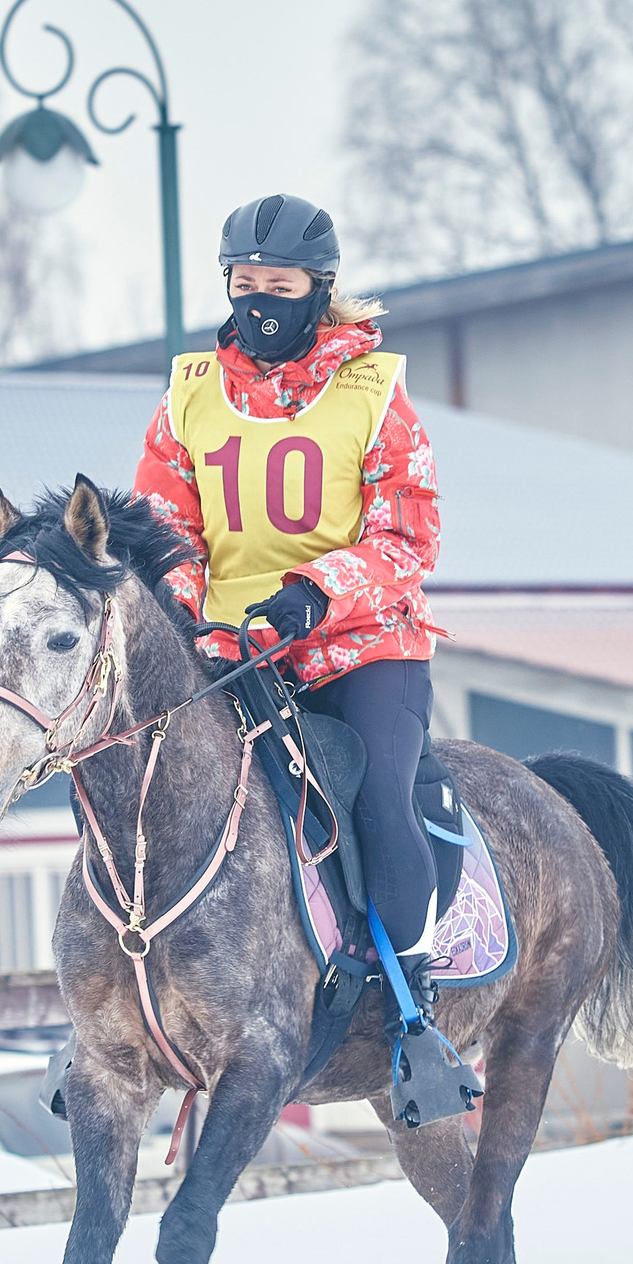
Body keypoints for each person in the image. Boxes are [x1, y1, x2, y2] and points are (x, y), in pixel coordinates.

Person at [134, 193, 444, 965]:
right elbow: (165, 521)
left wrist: (317, 593)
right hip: (232, 652)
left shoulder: (376, 395)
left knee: (375, 802)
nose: (259, 303)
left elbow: (407, 537)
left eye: (281, 289)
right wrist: (176, 604)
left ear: (319, 288)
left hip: (362, 651)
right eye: (245, 283)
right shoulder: (188, 393)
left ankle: (417, 1010)